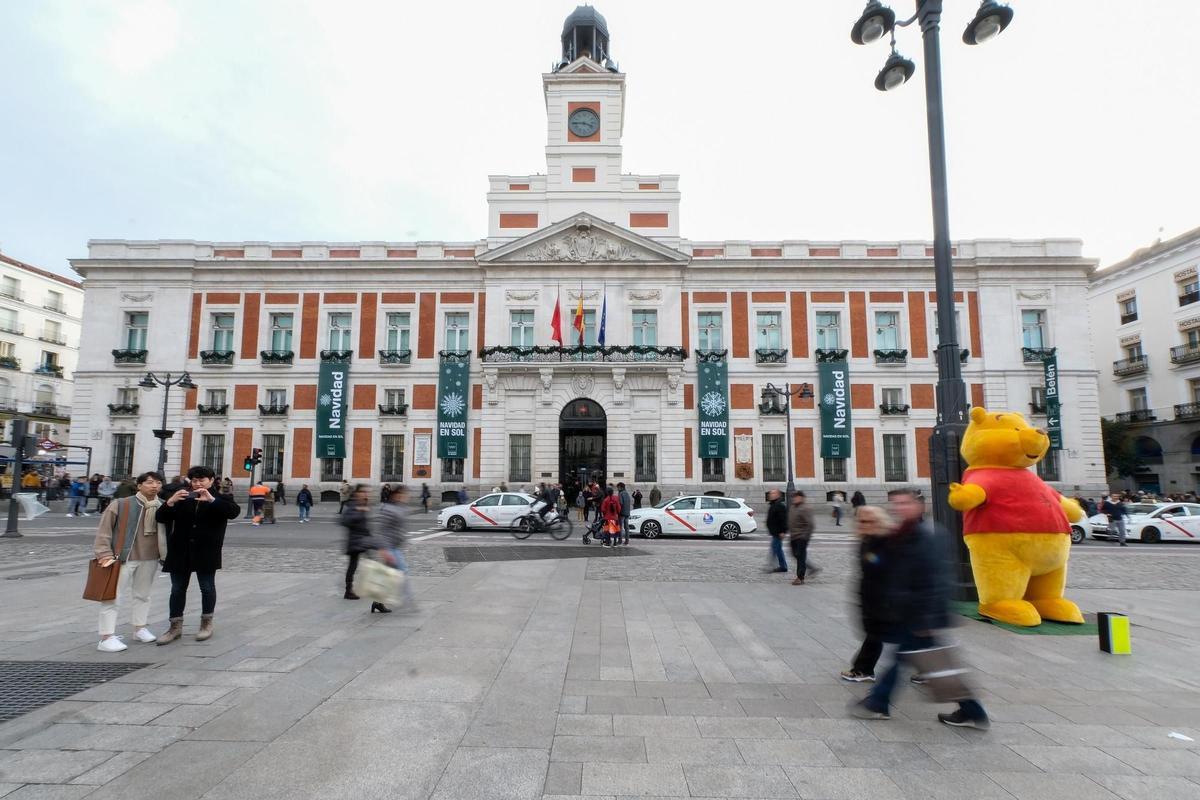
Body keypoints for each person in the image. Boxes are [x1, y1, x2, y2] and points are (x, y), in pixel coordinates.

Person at [850, 489, 990, 729]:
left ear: (919, 506)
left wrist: (928, 618)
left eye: (905, 503)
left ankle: (878, 703)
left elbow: (938, 579)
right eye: (895, 504)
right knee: (929, 663)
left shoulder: (927, 536)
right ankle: (971, 710)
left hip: (922, 614)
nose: (899, 508)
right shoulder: (905, 533)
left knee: (912, 660)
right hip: (910, 611)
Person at [155, 465, 241, 645]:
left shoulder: (221, 498)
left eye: (202, 480)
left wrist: (211, 500)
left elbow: (233, 512)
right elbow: (161, 518)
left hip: (206, 550)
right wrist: (170, 502)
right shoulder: (182, 497)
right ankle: (175, 627)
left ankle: (206, 623)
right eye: (194, 480)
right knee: (177, 589)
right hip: (180, 550)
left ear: (211, 480)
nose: (197, 483)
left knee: (207, 587)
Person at [93, 471, 165, 652]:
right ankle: (106, 636)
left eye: (158, 482)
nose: (154, 486)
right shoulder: (122, 504)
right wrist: (104, 554)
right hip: (122, 557)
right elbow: (104, 531)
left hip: (150, 556)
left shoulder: (163, 506)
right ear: (139, 485)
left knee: (143, 595)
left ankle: (139, 628)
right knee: (113, 596)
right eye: (149, 482)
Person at [841, 505, 893, 682]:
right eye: (860, 521)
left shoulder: (883, 541)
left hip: (885, 598)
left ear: (878, 522)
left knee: (877, 635)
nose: (862, 524)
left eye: (868, 521)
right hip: (873, 596)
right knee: (877, 634)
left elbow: (880, 566)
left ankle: (863, 669)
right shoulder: (867, 540)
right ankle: (863, 668)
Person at [371, 485, 416, 612]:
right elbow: (381, 531)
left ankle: (378, 602)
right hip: (389, 548)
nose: (407, 497)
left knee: (388, 576)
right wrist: (383, 550)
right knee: (403, 572)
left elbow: (400, 527)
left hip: (394, 546)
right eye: (404, 494)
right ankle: (408, 600)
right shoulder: (387, 509)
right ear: (397, 495)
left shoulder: (399, 507)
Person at [341, 485, 372, 600]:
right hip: (355, 541)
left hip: (363, 540)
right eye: (363, 492)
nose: (366, 494)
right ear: (357, 493)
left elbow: (363, 525)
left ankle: (351, 589)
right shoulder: (353, 504)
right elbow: (344, 521)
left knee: (369, 563)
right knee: (353, 566)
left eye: (366, 492)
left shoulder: (361, 504)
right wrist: (359, 511)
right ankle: (348, 590)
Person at [788, 491, 820, 585]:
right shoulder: (793, 507)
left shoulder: (806, 508)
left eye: (796, 497)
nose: (794, 499)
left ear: (802, 498)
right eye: (794, 497)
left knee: (800, 557)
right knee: (795, 555)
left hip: (801, 537)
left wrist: (805, 537)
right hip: (793, 536)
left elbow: (810, 524)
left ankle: (800, 578)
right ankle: (812, 568)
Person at [764, 489, 788, 573]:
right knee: (777, 549)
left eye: (773, 493)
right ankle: (782, 566)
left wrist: (783, 531)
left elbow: (784, 519)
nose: (771, 495)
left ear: (778, 495)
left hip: (778, 532)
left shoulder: (780, 506)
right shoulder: (773, 504)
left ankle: (773, 566)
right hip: (775, 532)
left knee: (775, 549)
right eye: (770, 493)